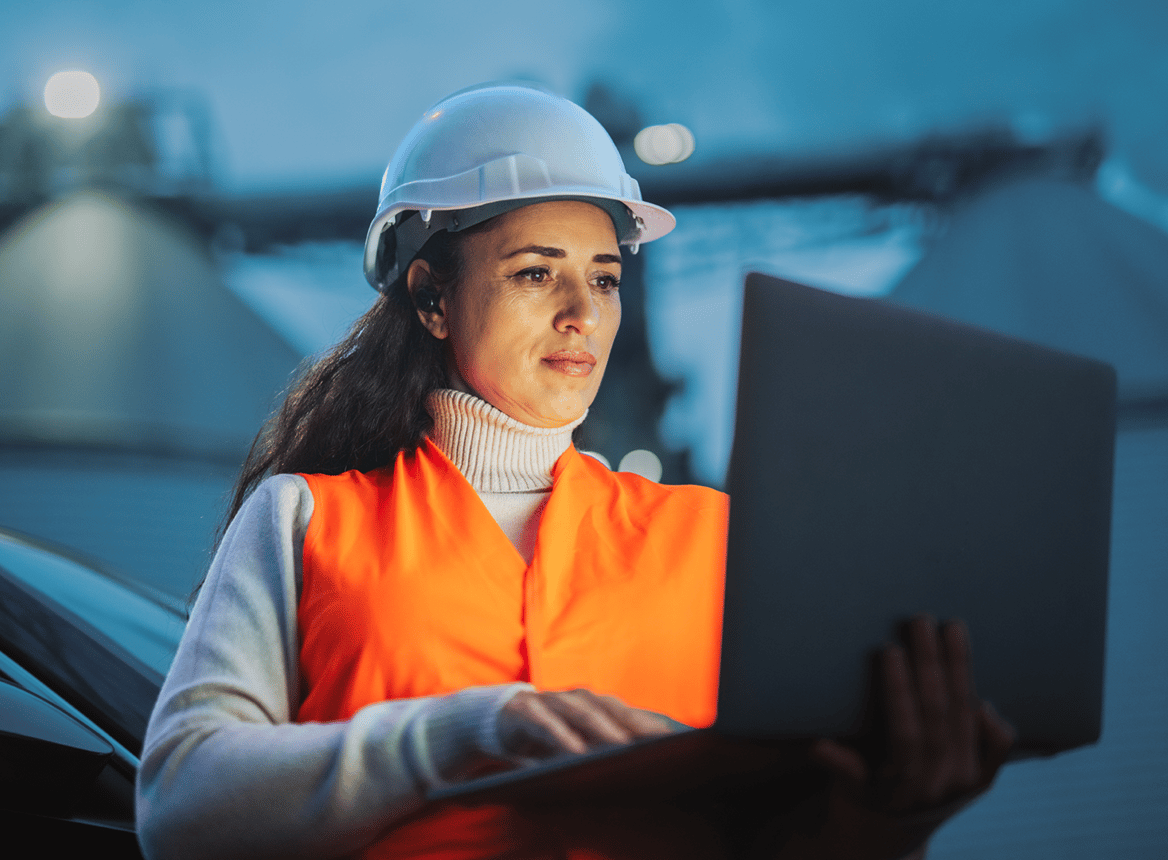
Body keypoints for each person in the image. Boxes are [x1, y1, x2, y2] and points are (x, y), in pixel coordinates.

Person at [135, 84, 1014, 860]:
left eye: (603, 278)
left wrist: (890, 817)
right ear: (431, 297)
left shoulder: (712, 541)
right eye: (533, 273)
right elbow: (179, 803)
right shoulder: (307, 520)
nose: (581, 316)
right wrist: (458, 733)